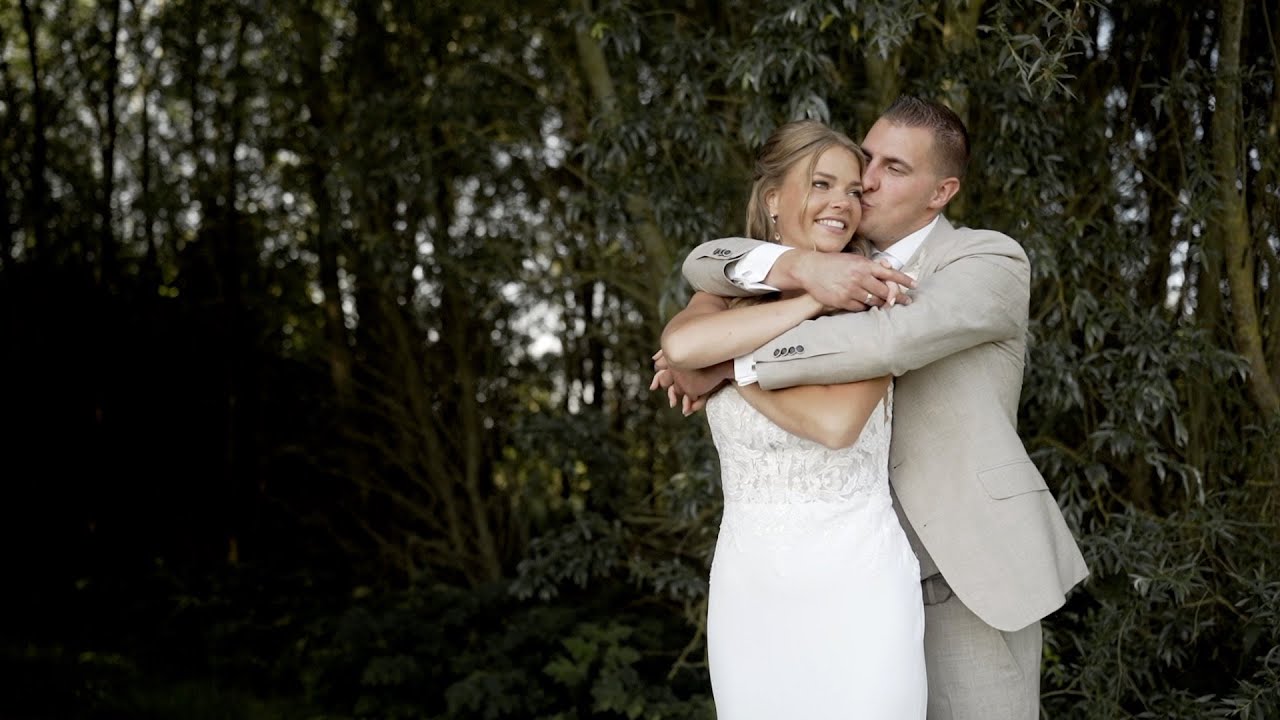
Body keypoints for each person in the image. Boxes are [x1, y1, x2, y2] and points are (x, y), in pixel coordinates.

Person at [655, 96, 1089, 720]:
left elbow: (888, 340)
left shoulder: (987, 259)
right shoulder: (817, 263)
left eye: (893, 168)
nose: (868, 182)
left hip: (960, 571)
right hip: (818, 568)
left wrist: (727, 366)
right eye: (866, 161)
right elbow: (703, 260)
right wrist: (804, 268)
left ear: (941, 191)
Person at [655, 120, 926, 718]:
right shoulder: (723, 294)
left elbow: (836, 425)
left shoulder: (880, 296)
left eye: (854, 190)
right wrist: (810, 295)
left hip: (857, 583)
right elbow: (680, 350)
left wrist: (729, 368)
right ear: (773, 199)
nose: (842, 203)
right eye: (822, 183)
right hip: (749, 587)